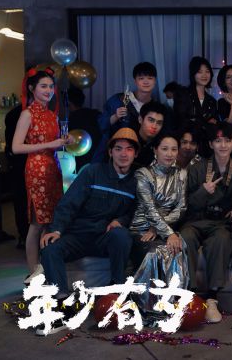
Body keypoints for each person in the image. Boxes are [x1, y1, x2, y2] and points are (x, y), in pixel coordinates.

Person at [38, 128, 139, 335]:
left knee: (121, 236)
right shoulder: (93, 172)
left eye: (129, 149)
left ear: (135, 154)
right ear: (110, 152)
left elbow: (136, 212)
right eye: (118, 148)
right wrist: (56, 230)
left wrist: (121, 220)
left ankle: (117, 294)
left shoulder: (136, 182)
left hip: (104, 238)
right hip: (78, 236)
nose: (124, 153)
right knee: (50, 248)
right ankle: (61, 307)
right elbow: (69, 203)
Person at [179, 122, 232, 323]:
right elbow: (186, 204)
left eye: (227, 140)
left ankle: (212, 298)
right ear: (210, 144)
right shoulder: (197, 168)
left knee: (222, 240)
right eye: (218, 141)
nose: (223, 145)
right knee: (185, 237)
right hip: (196, 220)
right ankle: (189, 294)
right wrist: (203, 191)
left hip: (220, 223)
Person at [12, 68, 69, 284]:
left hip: (53, 168)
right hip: (37, 169)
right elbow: (16, 147)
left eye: (51, 86)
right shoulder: (27, 114)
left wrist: (65, 142)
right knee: (37, 222)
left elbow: (54, 144)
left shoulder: (51, 114)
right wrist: (50, 144)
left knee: (50, 222)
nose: (48, 90)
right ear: (31, 88)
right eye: (43, 86)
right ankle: (33, 271)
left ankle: (46, 268)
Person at [129, 132, 189, 320]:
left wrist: (162, 230)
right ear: (155, 150)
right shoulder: (143, 174)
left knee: (175, 248)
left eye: (174, 149)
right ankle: (149, 308)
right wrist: (167, 232)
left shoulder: (181, 173)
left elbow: (181, 208)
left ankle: (172, 308)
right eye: (164, 149)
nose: (169, 154)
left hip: (163, 229)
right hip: (142, 228)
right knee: (156, 252)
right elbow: (149, 209)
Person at [94, 62, 157, 162]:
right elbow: (100, 124)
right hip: (114, 156)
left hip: (141, 157)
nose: (146, 82)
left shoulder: (156, 107)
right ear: (135, 81)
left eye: (150, 78)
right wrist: (115, 117)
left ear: (155, 81)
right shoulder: (119, 100)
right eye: (141, 78)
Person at [174, 57, 218, 156]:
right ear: (193, 74)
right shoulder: (183, 94)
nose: (204, 75)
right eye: (199, 72)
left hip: (205, 148)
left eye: (207, 71)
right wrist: (205, 122)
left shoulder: (212, 101)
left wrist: (196, 120)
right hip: (185, 145)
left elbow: (213, 127)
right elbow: (180, 120)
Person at [4, 104, 28, 249]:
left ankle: (24, 235)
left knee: (21, 201)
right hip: (24, 161)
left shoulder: (13, 114)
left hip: (18, 163)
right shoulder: (20, 114)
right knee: (24, 200)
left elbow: (9, 144)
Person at [68, 85, 102, 169]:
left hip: (79, 161)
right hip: (98, 158)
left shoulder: (71, 119)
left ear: (69, 102)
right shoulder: (96, 114)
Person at [134, 101, 167, 167]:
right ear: (140, 119)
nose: (154, 126)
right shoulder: (128, 139)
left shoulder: (161, 144)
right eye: (151, 120)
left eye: (159, 123)